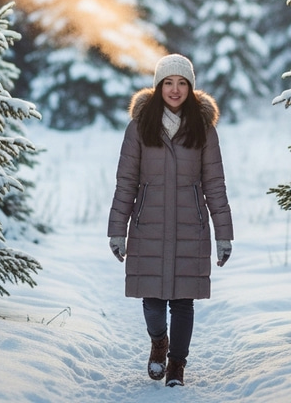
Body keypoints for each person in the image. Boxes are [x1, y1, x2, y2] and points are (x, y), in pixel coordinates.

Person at [107, 54, 234, 387]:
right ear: (158, 86)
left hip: (190, 225)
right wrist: (117, 230)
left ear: (190, 88)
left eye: (182, 83)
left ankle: (177, 364)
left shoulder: (203, 130)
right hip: (148, 223)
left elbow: (215, 184)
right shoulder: (139, 128)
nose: (175, 90)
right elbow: (126, 182)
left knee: (183, 301)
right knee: (152, 298)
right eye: (168, 82)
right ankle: (158, 342)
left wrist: (224, 234)